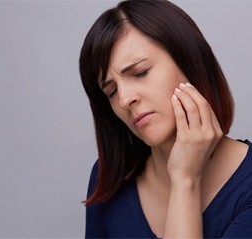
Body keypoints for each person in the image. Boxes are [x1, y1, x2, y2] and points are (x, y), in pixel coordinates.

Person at [79, 0, 252, 238]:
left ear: (190, 61)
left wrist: (185, 180)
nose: (124, 99)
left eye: (140, 73)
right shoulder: (109, 179)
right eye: (111, 91)